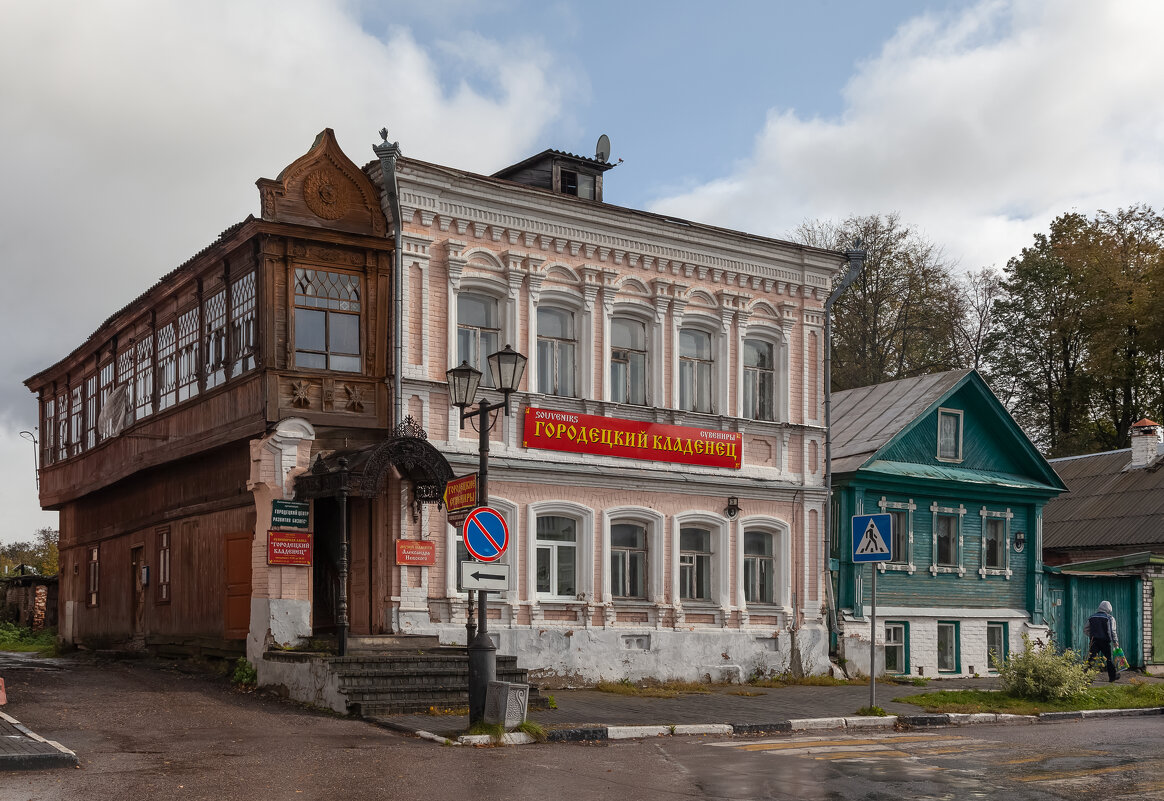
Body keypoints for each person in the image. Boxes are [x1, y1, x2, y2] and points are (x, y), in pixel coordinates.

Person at [1086, 600, 1120, 682]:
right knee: (1108, 658)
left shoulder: (1092, 617)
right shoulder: (1110, 618)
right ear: (1109, 608)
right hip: (1105, 641)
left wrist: (1092, 636)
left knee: (1092, 658)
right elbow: (1112, 631)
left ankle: (1087, 677)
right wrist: (1115, 641)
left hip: (1094, 641)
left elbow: (1086, 629)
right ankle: (1112, 677)